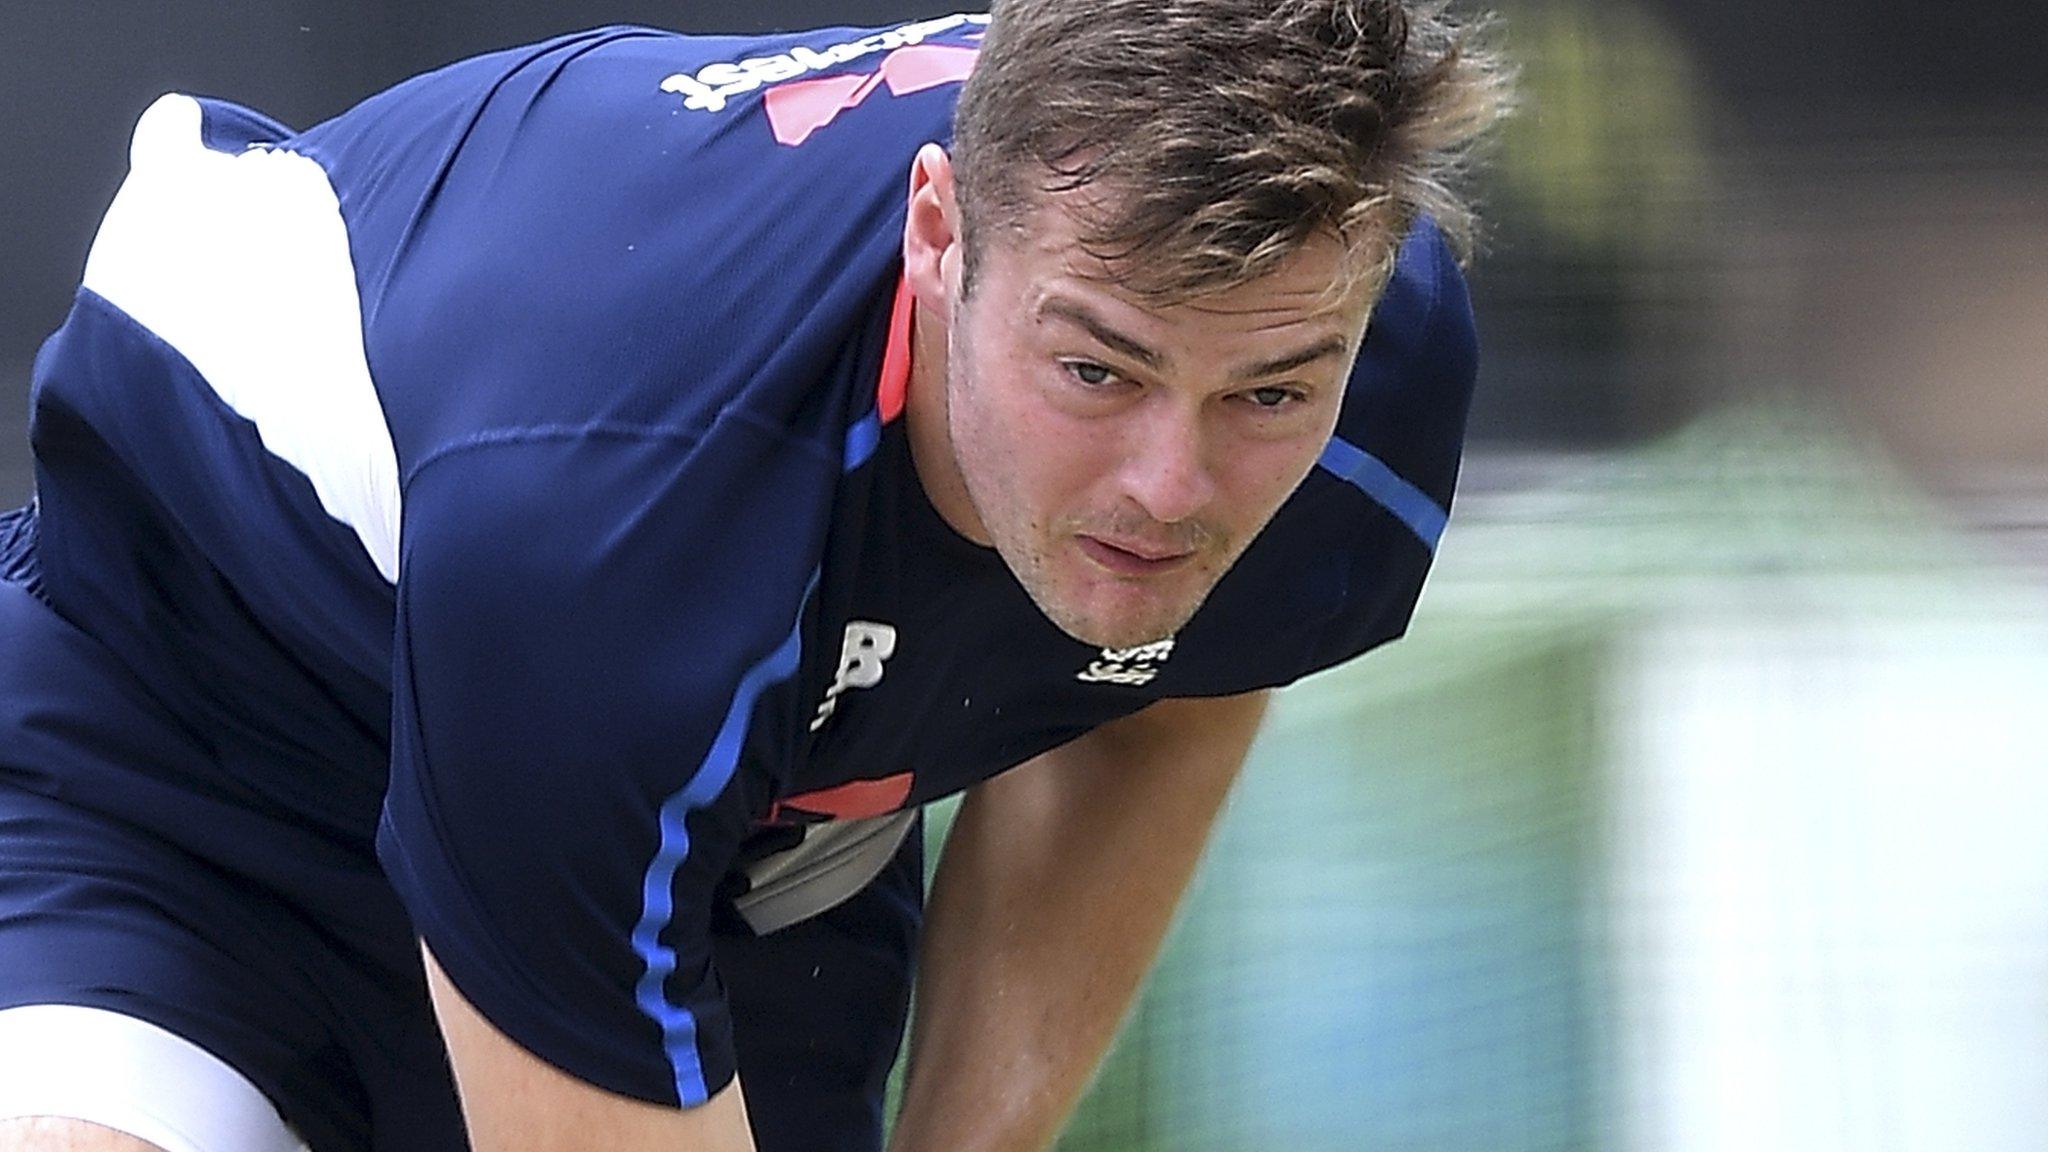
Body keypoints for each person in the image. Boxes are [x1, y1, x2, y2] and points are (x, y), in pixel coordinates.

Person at [0, 2, 1512, 1149]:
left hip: (741, 859)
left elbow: (1173, 694)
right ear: (938, 234)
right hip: (195, 777)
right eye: (1094, 370)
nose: (1169, 489)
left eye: (1264, 397)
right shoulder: (617, 510)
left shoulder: (1355, 350)